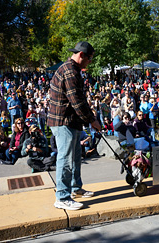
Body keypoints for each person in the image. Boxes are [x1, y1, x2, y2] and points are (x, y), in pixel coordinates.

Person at [47, 41, 101, 211]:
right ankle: (62, 197)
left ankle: (75, 188)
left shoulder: (72, 69)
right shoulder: (70, 71)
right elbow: (76, 101)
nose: (90, 62)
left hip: (71, 121)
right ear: (81, 55)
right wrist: (92, 120)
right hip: (63, 121)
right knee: (65, 158)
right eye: (89, 58)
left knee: (76, 156)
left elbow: (79, 100)